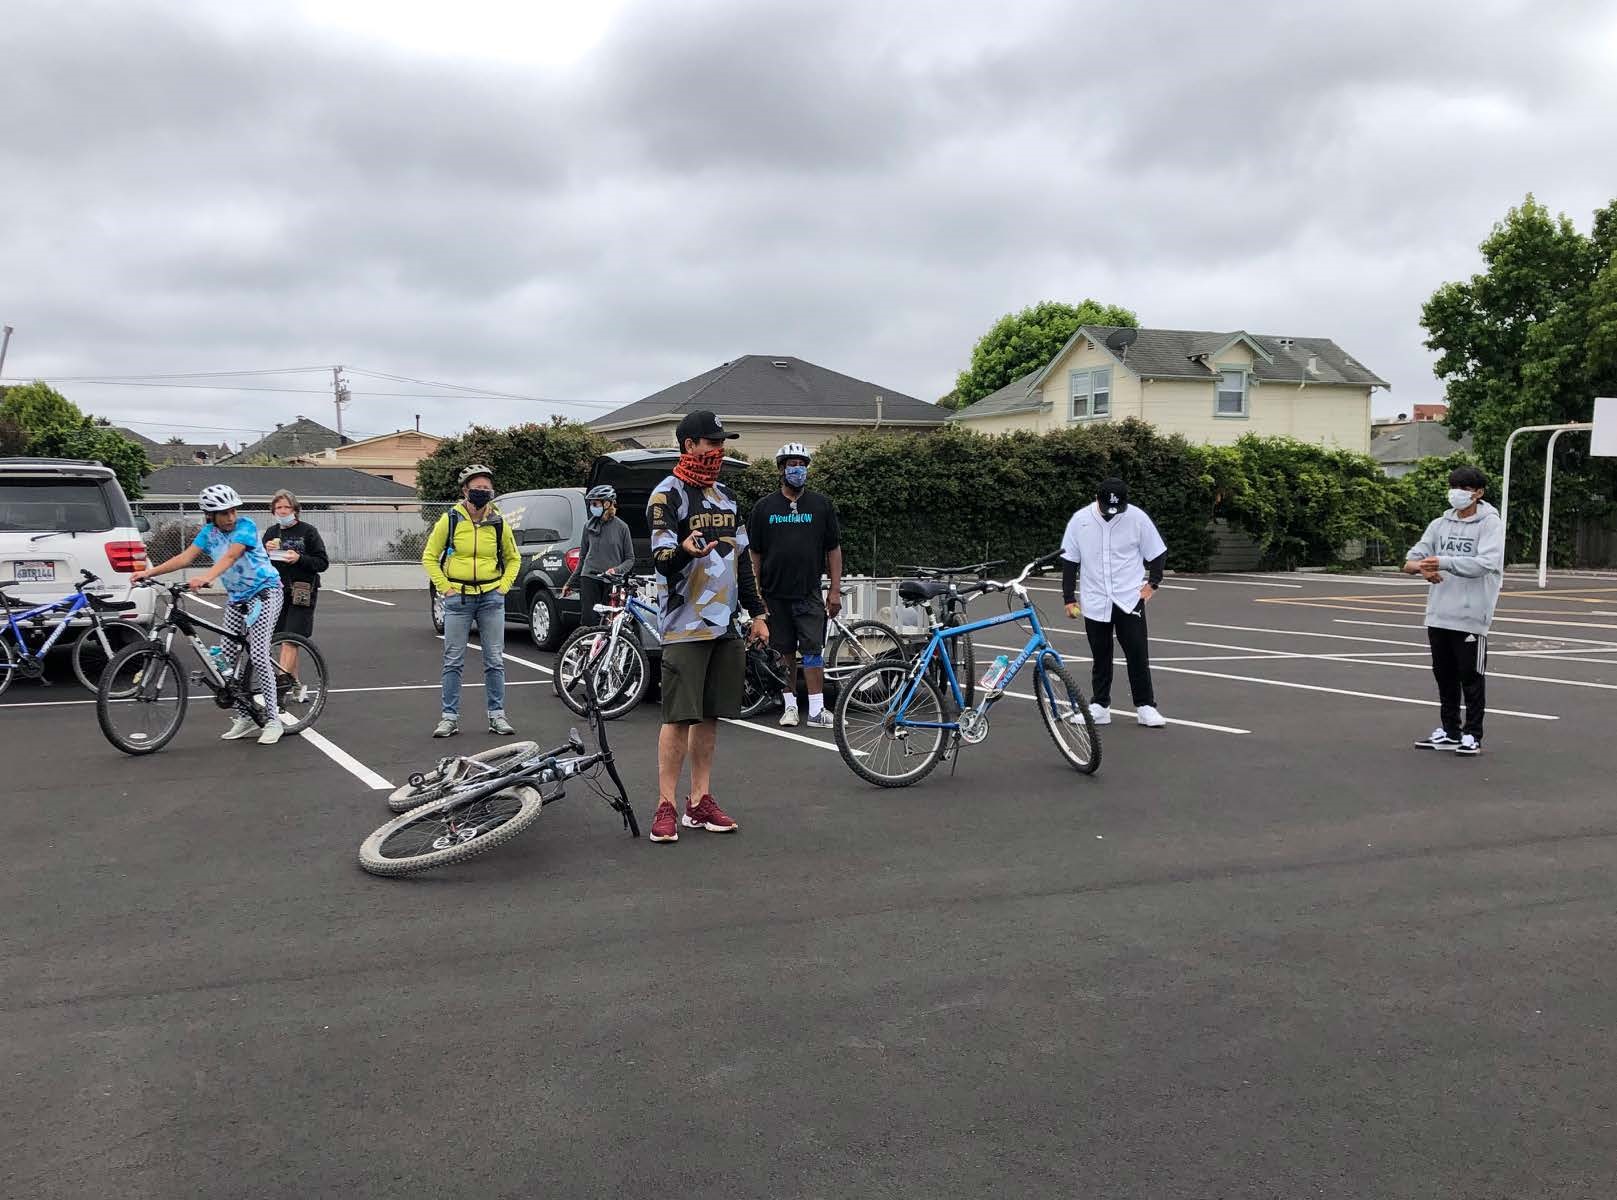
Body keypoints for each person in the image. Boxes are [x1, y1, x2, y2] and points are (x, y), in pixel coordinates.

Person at [646, 410, 768, 843]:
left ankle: (699, 801)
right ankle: (665, 804)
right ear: (688, 445)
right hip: (684, 624)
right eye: (710, 444)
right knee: (679, 716)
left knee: (710, 715)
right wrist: (684, 551)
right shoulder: (667, 496)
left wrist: (757, 613)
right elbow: (661, 561)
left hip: (724, 624)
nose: (718, 451)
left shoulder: (728, 497)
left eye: (721, 444)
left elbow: (742, 562)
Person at [131, 484, 286, 745]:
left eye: (233, 511)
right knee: (226, 659)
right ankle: (245, 716)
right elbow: (184, 558)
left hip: (265, 592)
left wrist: (207, 577)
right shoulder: (208, 533)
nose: (231, 517)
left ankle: (273, 719)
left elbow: (231, 556)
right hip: (238, 599)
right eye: (223, 513)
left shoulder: (245, 527)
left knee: (258, 654)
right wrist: (148, 573)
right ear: (210, 515)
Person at [1403, 465, 1504, 756]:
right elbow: (1411, 560)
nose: (1457, 493)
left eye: (1464, 488)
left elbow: (1485, 564)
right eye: (1453, 487)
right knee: (1443, 675)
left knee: (1470, 676)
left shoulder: (1490, 524)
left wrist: (1443, 562)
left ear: (1478, 493)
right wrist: (1423, 568)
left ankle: (1472, 734)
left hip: (1471, 616)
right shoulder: (1439, 525)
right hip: (1439, 613)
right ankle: (1449, 730)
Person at [747, 441, 843, 728]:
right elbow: (755, 554)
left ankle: (816, 710)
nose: (797, 470)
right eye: (792, 465)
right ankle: (789, 707)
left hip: (809, 592)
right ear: (781, 469)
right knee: (784, 652)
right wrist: (757, 594)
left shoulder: (821, 505)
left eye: (801, 465)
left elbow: (833, 548)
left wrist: (834, 590)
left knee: (813, 651)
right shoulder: (764, 508)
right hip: (775, 594)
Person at [1059, 476, 1168, 728]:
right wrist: (1068, 597)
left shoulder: (1138, 518)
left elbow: (1157, 552)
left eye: (1117, 508)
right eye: (1106, 507)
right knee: (1101, 654)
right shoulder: (1080, 520)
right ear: (1097, 499)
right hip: (1095, 597)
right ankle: (1100, 705)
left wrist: (1153, 584)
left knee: (1137, 653)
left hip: (1128, 597)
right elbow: (1069, 560)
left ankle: (1145, 706)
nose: (1111, 513)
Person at [422, 464, 521, 738]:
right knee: (453, 660)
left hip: (491, 598)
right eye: (477, 488)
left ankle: (497, 716)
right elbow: (429, 556)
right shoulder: (450, 520)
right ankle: (449, 718)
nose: (482, 492)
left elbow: (514, 558)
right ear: (465, 490)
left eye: (486, 489)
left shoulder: (499, 522)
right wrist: (446, 588)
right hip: (458, 600)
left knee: (495, 661)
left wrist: (503, 588)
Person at [262, 489, 328, 687]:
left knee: (292, 637)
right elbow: (261, 563)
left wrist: (299, 558)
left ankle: (279, 686)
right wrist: (266, 552)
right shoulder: (271, 533)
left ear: (295, 509)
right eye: (278, 507)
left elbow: (322, 562)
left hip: (302, 589)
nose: (282, 511)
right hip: (277, 590)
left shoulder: (308, 531)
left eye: (286, 507)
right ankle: (296, 683)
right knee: (284, 639)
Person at [560, 484, 636, 625]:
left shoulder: (622, 527)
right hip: (589, 577)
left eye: (595, 503)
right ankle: (589, 646)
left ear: (607, 503)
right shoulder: (588, 526)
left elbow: (630, 559)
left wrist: (616, 570)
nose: (592, 507)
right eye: (591, 504)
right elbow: (582, 558)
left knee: (610, 622)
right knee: (589, 620)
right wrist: (570, 583)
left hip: (612, 581)